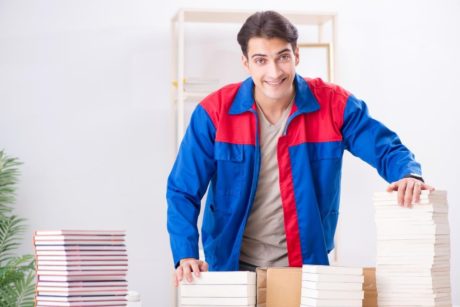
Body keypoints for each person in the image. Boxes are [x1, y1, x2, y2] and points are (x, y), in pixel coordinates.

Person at [166, 10, 434, 287]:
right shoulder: (214, 112)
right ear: (246, 63)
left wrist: (408, 174)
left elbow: (385, 147)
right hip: (231, 268)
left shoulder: (334, 104)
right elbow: (183, 189)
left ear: (296, 55)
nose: (274, 71)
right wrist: (185, 253)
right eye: (261, 60)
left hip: (304, 266)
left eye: (282, 57)